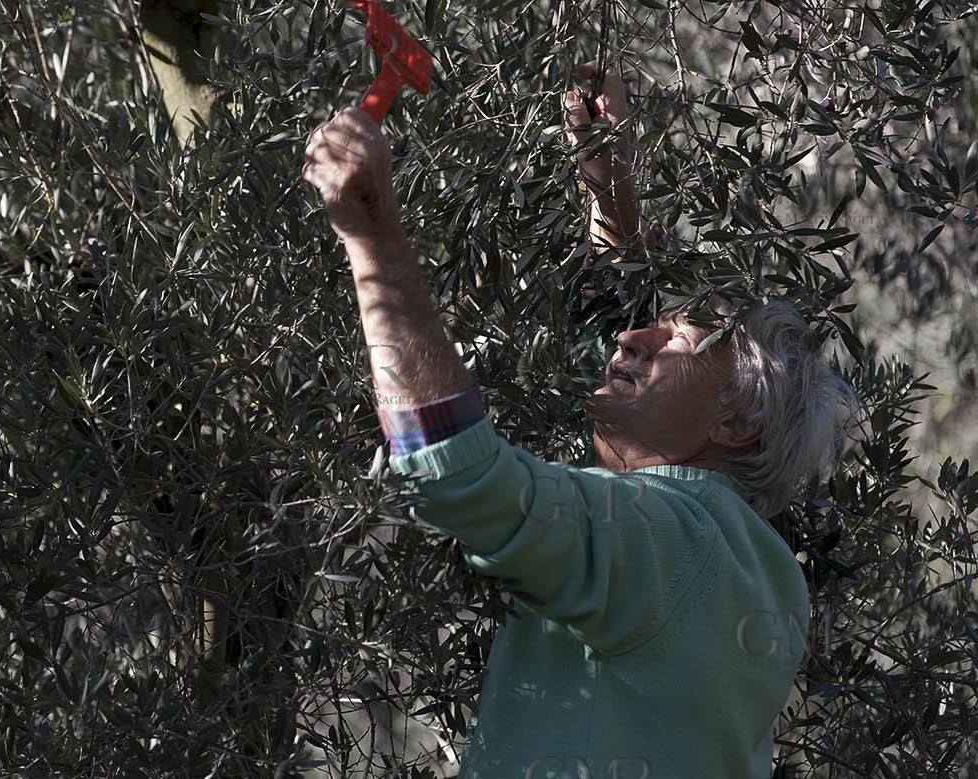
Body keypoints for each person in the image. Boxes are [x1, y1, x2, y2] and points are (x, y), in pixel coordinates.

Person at [300, 64, 859, 778]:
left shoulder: (672, 538)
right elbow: (626, 330)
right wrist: (609, 184)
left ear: (736, 422)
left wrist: (371, 228)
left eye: (675, 339)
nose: (629, 340)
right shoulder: (743, 570)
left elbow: (457, 473)